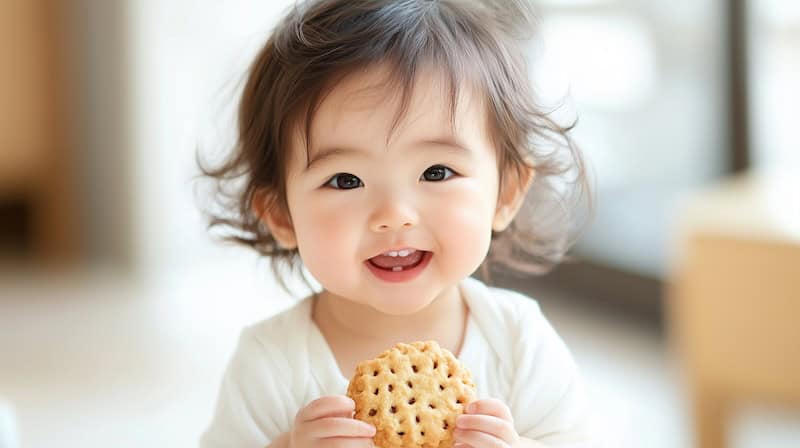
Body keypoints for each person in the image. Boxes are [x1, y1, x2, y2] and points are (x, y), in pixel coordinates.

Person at [198, 0, 594, 447]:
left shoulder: (519, 343)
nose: (394, 215)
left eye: (437, 172)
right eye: (345, 180)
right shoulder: (271, 362)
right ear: (281, 215)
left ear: (504, 194)